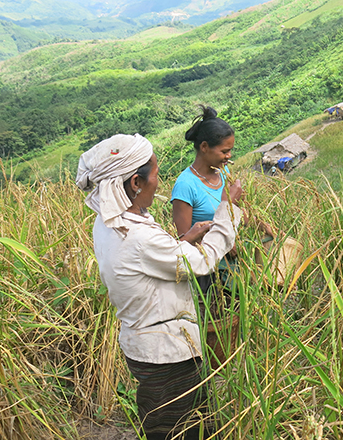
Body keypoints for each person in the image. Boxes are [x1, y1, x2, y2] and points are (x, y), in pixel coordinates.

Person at [76, 133, 242, 440]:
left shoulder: (110, 222)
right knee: (181, 428)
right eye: (155, 174)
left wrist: (184, 240)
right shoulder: (137, 236)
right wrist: (227, 209)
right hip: (166, 353)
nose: (159, 181)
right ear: (136, 183)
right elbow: (203, 262)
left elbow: (150, 263)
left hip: (146, 347)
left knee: (166, 420)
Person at [171, 105, 236, 297]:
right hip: (206, 275)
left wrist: (260, 224)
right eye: (224, 151)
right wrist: (224, 242)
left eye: (231, 150)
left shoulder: (223, 173)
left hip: (231, 268)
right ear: (204, 147)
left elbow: (232, 213)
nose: (229, 156)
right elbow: (184, 241)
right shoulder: (185, 186)